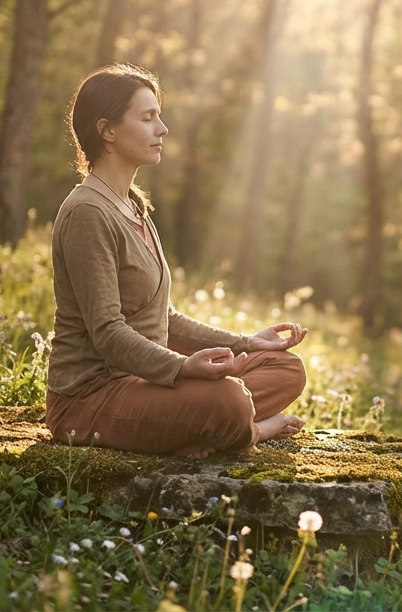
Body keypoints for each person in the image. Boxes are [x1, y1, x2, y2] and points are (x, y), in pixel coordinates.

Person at [45, 63, 307, 459]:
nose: (162, 128)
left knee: (284, 367)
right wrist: (184, 369)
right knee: (229, 400)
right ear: (108, 130)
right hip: (92, 397)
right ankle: (249, 430)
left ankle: (202, 428)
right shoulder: (87, 213)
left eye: (159, 116)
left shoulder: (133, 205)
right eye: (148, 117)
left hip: (147, 384)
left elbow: (164, 317)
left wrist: (247, 343)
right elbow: (107, 333)